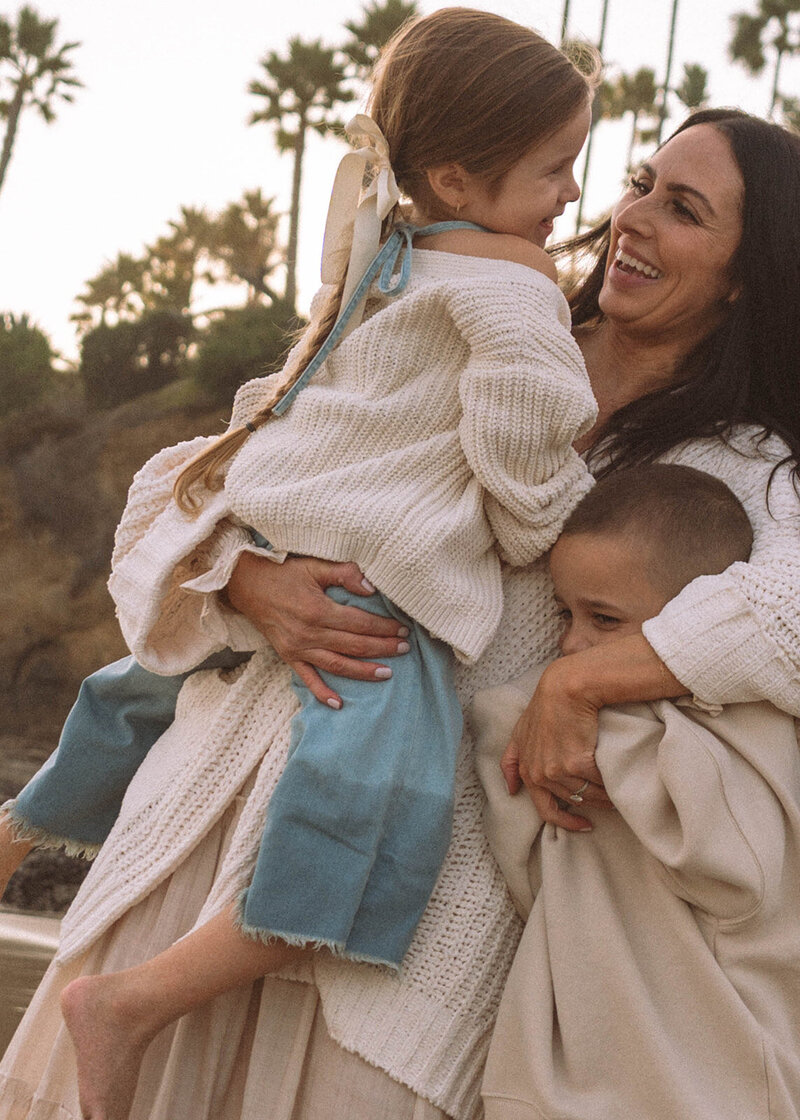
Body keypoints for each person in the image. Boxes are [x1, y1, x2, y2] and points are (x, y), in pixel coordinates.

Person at [2, 100, 800, 1120]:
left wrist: (583, 675)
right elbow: (185, 483)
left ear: (745, 276)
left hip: (418, 922)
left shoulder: (738, 466)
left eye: (683, 208)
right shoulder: (477, 306)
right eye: (640, 181)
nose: (633, 215)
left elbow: (784, 611)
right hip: (207, 818)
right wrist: (244, 583)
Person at [0, 9, 598, 1120]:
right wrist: (552, 527)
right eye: (555, 167)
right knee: (367, 826)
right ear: (462, 171)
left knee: (130, 695)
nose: (571, 194)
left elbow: (258, 428)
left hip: (280, 537)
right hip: (375, 609)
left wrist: (237, 564)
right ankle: (127, 1004)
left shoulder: (383, 266)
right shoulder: (517, 293)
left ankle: (25, 823)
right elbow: (524, 456)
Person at [474, 463, 800, 1118]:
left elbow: (732, 870)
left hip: (716, 1072)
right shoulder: (553, 719)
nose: (572, 642)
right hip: (558, 1070)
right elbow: (522, 861)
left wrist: (589, 744)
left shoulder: (750, 725)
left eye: (604, 619)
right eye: (566, 613)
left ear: (692, 616)